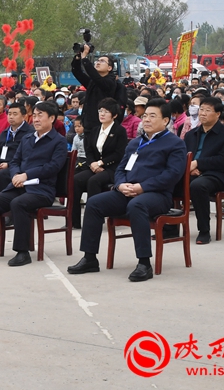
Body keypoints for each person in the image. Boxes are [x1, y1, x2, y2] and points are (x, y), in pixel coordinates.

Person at [67, 98, 187, 282]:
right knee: (94, 203)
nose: (146, 119)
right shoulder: (135, 143)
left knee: (137, 206)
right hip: (126, 191)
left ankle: (144, 263)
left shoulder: (174, 144)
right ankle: (89, 258)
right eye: (145, 115)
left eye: (152, 116)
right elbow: (121, 169)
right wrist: (120, 184)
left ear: (165, 121)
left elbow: (172, 174)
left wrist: (142, 187)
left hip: (156, 195)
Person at [0, 101, 69, 266]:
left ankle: (22, 252)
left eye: (40, 116)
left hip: (41, 190)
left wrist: (27, 175)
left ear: (51, 118)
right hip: (20, 186)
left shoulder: (58, 141)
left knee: (18, 203)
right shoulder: (27, 138)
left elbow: (53, 167)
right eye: (35, 115)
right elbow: (15, 160)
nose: (36, 119)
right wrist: (16, 174)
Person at [183, 97, 224, 245]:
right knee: (168, 180)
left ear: (218, 114)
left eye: (208, 110)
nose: (203, 113)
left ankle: (204, 231)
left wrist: (198, 163)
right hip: (192, 173)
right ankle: (170, 228)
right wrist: (189, 169)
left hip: (217, 175)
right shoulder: (191, 134)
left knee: (198, 186)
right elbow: (181, 156)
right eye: (201, 109)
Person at [72, 98, 128, 230]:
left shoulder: (120, 131)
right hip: (94, 166)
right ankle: (74, 220)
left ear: (114, 115)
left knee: (93, 181)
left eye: (106, 112)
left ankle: (93, 219)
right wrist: (92, 163)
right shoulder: (95, 130)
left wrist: (101, 163)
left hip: (112, 168)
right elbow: (89, 150)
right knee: (76, 179)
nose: (102, 114)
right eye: (100, 111)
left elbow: (119, 154)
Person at [71, 48, 120, 133]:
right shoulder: (93, 81)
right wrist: (78, 58)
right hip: (88, 125)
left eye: (102, 61)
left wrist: (85, 59)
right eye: (97, 60)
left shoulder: (110, 82)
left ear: (109, 68)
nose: (98, 62)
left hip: (101, 125)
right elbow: (77, 72)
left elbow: (96, 77)